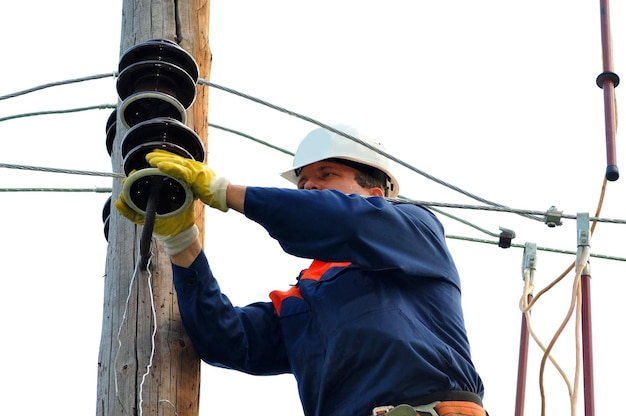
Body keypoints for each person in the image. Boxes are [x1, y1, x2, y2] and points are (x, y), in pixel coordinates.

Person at [116, 125, 487, 416]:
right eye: (304, 182)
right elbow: (226, 339)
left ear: (375, 196)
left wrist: (223, 190)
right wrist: (182, 240)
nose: (309, 187)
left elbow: (344, 222)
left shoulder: (415, 231)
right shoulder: (302, 302)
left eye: (326, 175)